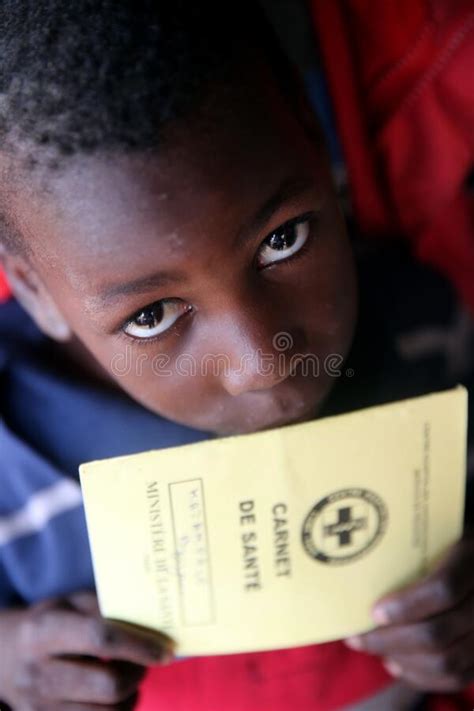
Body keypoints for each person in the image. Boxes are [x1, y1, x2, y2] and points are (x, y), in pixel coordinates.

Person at [0, 2, 473, 710]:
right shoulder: (11, 467)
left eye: (283, 240)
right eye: (153, 315)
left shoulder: (424, 330)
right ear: (35, 288)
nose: (263, 360)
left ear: (315, 146)